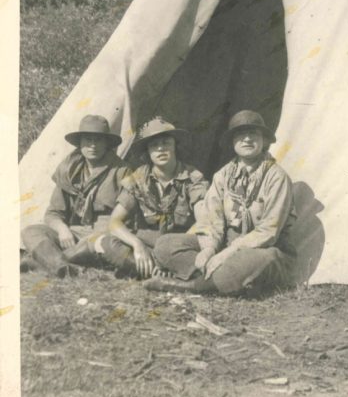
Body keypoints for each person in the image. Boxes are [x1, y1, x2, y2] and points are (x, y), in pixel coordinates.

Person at [145, 110, 297, 295]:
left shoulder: (277, 177)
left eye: (253, 134)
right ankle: (220, 281)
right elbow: (212, 219)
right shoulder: (223, 175)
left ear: (264, 140)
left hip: (264, 249)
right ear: (233, 141)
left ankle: (189, 286)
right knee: (165, 244)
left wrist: (227, 253)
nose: (247, 139)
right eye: (241, 134)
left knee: (255, 260)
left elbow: (268, 232)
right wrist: (209, 250)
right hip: (225, 245)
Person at [21, 114, 129, 277]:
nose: (93, 145)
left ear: (107, 143)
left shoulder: (122, 171)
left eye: (98, 140)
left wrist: (100, 234)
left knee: (103, 245)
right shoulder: (68, 170)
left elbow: (126, 217)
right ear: (80, 143)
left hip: (102, 236)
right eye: (87, 139)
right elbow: (53, 213)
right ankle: (64, 267)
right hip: (73, 233)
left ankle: (46, 262)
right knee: (31, 231)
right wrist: (63, 229)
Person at [100, 117, 207, 279]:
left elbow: (203, 221)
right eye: (154, 146)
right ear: (148, 152)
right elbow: (114, 222)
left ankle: (154, 270)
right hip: (148, 243)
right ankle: (161, 271)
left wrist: (170, 251)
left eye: (166, 144)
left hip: (179, 245)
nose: (161, 149)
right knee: (109, 242)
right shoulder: (138, 178)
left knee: (175, 249)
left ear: (175, 147)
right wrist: (138, 245)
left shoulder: (193, 178)